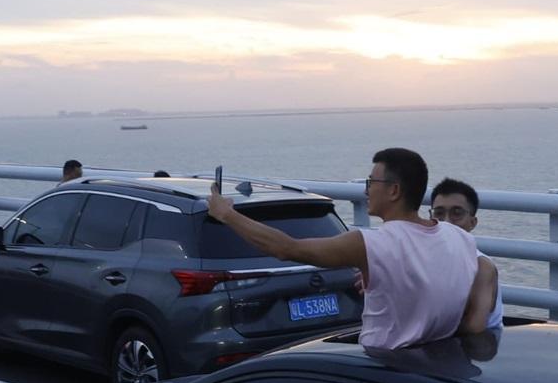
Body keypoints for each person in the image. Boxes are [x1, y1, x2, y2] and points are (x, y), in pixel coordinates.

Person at [206, 147, 485, 349]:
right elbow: (432, 277)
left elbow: (286, 248)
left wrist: (226, 214)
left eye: (371, 182)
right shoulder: (458, 237)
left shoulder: (371, 243)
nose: (365, 190)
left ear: (394, 190)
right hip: (443, 357)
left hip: (387, 367)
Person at [431, 177, 504, 330]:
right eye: (439, 214)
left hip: (473, 346)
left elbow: (474, 327)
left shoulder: (482, 267)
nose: (446, 222)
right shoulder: (425, 258)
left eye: (457, 213)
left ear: (473, 222)